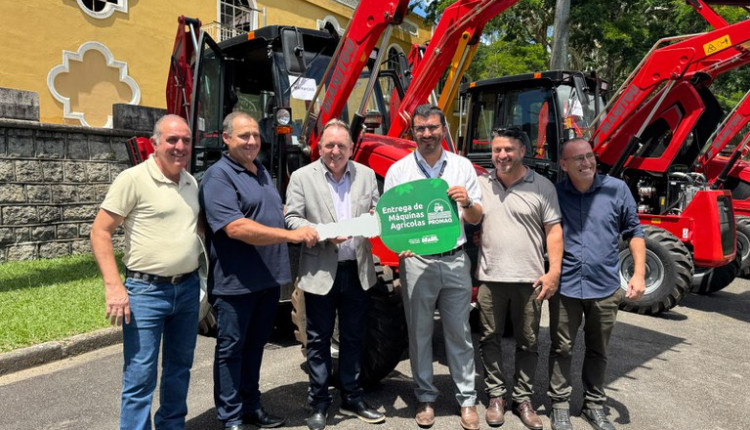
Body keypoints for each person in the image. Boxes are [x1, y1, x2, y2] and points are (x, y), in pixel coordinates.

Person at [200, 111, 318, 430]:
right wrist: (291, 236)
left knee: (254, 348)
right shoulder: (218, 176)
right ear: (227, 138)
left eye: (255, 135)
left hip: (267, 280)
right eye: (244, 136)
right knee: (231, 351)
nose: (252, 141)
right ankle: (230, 416)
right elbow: (236, 227)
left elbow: (273, 212)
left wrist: (312, 223)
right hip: (236, 283)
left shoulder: (261, 171)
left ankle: (252, 406)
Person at [90, 114, 201, 430]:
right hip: (146, 293)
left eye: (185, 140)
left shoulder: (191, 183)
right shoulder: (133, 179)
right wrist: (114, 287)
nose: (180, 146)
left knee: (179, 369)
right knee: (140, 376)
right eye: (172, 140)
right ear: (155, 143)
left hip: (188, 289)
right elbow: (100, 231)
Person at [384, 104, 483, 430]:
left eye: (432, 128)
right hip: (416, 262)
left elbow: (476, 218)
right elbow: (394, 220)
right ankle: (425, 397)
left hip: (455, 259)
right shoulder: (399, 171)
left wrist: (467, 202)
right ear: (413, 132)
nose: (427, 134)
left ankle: (466, 400)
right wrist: (399, 244)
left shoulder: (461, 166)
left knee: (460, 334)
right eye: (421, 128)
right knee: (419, 334)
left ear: (443, 130)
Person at [285, 119, 385, 430]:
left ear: (352, 148)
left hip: (357, 269)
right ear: (319, 147)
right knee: (318, 339)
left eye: (342, 145)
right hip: (320, 269)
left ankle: (352, 397)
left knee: (354, 336)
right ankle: (319, 401)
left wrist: (375, 218)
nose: (335, 151)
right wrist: (324, 233)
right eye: (329, 145)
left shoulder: (366, 175)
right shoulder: (302, 177)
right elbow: (292, 217)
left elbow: (379, 212)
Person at [548, 138, 645, 430]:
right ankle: (560, 406)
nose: (586, 162)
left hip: (604, 287)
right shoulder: (554, 193)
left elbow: (634, 232)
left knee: (598, 350)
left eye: (589, 156)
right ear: (564, 164)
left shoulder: (617, 189)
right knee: (561, 348)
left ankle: (593, 405)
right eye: (578, 158)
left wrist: (639, 273)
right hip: (565, 286)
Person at [475, 128, 563, 430]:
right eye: (497, 150)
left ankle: (523, 398)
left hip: (530, 280)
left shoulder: (542, 186)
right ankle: (496, 396)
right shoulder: (481, 184)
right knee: (489, 339)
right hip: (490, 278)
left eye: (508, 149)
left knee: (528, 341)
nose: (502, 155)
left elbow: (554, 231)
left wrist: (553, 272)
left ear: (522, 151)